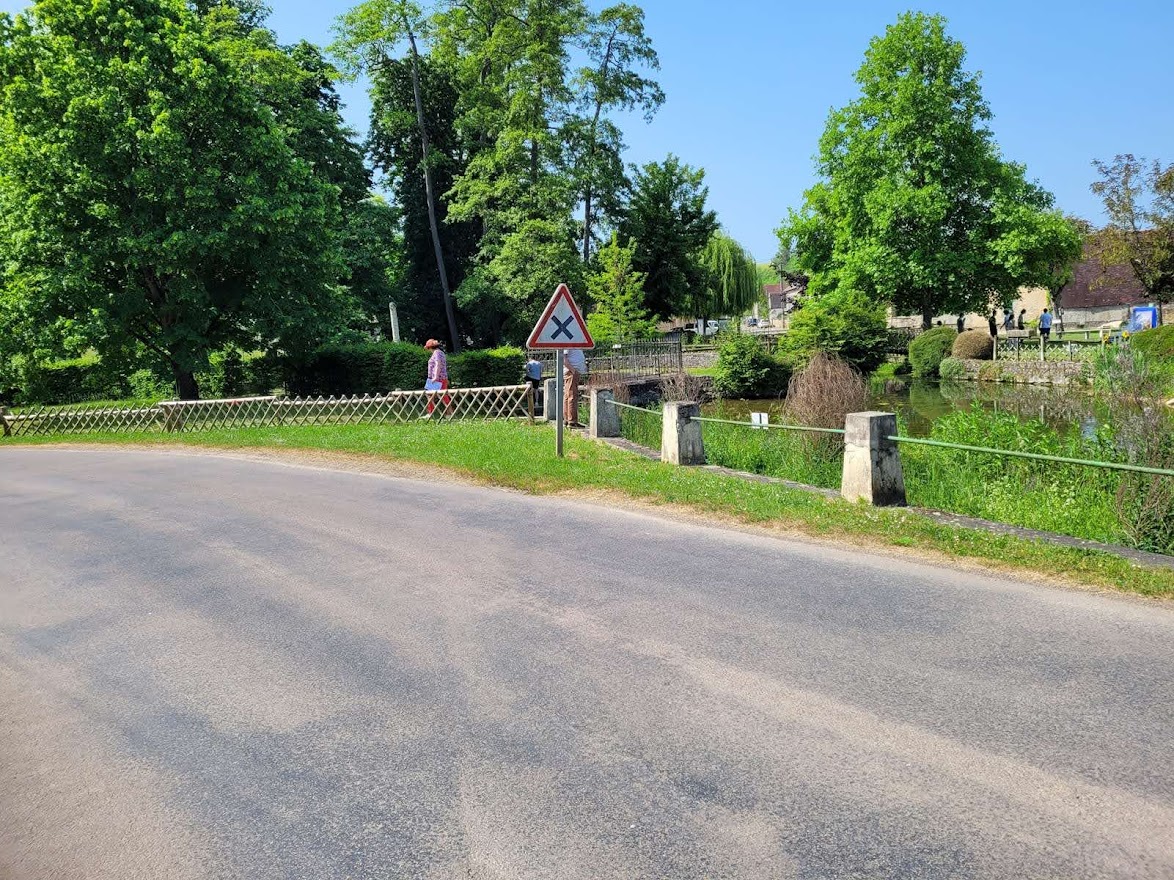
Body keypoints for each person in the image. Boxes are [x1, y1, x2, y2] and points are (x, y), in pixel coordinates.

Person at [424, 339, 451, 416]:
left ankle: (430, 413)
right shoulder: (441, 352)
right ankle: (449, 413)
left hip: (437, 378)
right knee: (443, 396)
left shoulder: (436, 353)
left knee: (430, 395)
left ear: (430, 347)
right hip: (441, 378)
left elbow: (437, 364)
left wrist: (435, 376)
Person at [563, 348, 587, 428]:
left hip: (572, 371)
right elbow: (563, 358)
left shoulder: (573, 343)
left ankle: (567, 420)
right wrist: (573, 370)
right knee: (572, 395)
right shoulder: (568, 343)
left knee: (568, 395)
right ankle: (572, 421)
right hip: (571, 372)